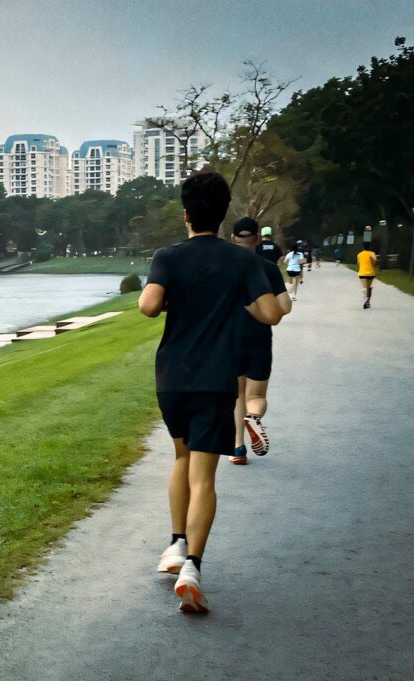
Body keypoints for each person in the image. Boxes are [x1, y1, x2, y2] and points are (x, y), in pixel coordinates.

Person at [139, 173, 283, 613]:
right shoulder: (241, 262)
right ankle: (192, 568)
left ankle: (175, 544)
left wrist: (171, 296)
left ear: (185, 213)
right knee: (204, 475)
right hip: (217, 377)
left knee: (180, 458)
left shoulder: (167, 256)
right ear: (222, 216)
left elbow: (147, 306)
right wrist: (236, 296)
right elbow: (272, 313)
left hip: (173, 377)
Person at [228, 218, 292, 465]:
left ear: (233, 239)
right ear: (256, 239)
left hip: (231, 340)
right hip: (259, 339)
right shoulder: (267, 267)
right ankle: (253, 417)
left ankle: (238, 448)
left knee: (237, 396)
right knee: (256, 397)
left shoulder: (225, 267)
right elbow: (285, 306)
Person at [357, 242, 378, 309]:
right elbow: (375, 262)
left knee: (365, 288)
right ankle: (368, 301)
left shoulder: (359, 254)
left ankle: (365, 301)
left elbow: (358, 264)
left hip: (362, 273)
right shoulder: (372, 253)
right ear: (370, 247)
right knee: (369, 288)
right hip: (371, 273)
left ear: (363, 247)